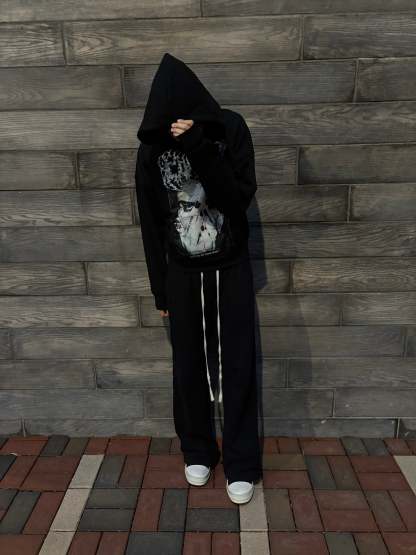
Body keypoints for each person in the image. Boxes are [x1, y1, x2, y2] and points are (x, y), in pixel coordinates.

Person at [135, 52, 262, 504]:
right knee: (187, 364)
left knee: (238, 363)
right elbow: (151, 221)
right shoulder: (151, 147)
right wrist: (160, 290)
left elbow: (236, 198)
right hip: (182, 274)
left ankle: (242, 462)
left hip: (230, 268)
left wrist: (198, 147)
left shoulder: (229, 129)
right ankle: (198, 450)